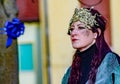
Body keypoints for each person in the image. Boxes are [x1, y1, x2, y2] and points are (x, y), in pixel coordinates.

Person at [62, 7, 120, 84]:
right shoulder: (71, 71)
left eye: (81, 27)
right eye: (72, 29)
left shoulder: (110, 62)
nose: (73, 33)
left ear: (96, 33)